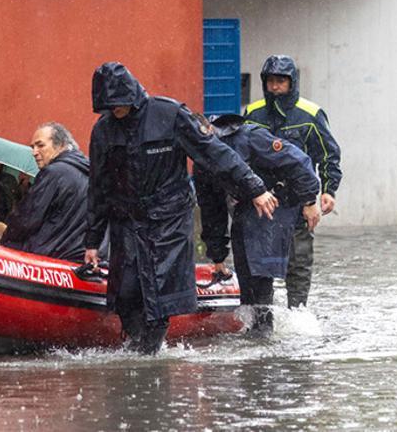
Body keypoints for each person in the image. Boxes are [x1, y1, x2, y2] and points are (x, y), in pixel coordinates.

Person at [84, 62, 277, 355]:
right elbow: (99, 186)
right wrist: (92, 242)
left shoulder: (170, 115)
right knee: (125, 292)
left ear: (132, 97)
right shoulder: (104, 131)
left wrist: (255, 189)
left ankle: (148, 355)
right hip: (127, 220)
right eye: (109, 107)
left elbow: (216, 154)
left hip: (168, 219)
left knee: (160, 295)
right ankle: (136, 346)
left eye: (120, 105)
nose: (116, 111)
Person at [194, 114, 321, 336]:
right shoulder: (202, 160)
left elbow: (298, 161)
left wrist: (310, 201)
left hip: (278, 199)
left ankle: (266, 328)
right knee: (244, 266)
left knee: (260, 265)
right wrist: (218, 256)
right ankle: (255, 323)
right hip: (247, 205)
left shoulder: (248, 138)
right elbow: (212, 209)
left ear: (209, 129)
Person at [244, 55, 342, 308]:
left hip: (300, 201)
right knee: (261, 264)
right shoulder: (253, 113)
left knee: (298, 262)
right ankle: (262, 319)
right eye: (271, 81)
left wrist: (328, 190)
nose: (275, 87)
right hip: (264, 201)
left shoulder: (310, 114)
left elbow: (328, 154)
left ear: (292, 82)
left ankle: (298, 313)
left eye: (281, 81)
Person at [0, 122, 90, 262]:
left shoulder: (53, 173)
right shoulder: (91, 173)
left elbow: (26, 219)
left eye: (40, 145)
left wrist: (4, 240)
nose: (34, 152)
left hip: (49, 260)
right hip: (85, 261)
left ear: (61, 145)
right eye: (33, 147)